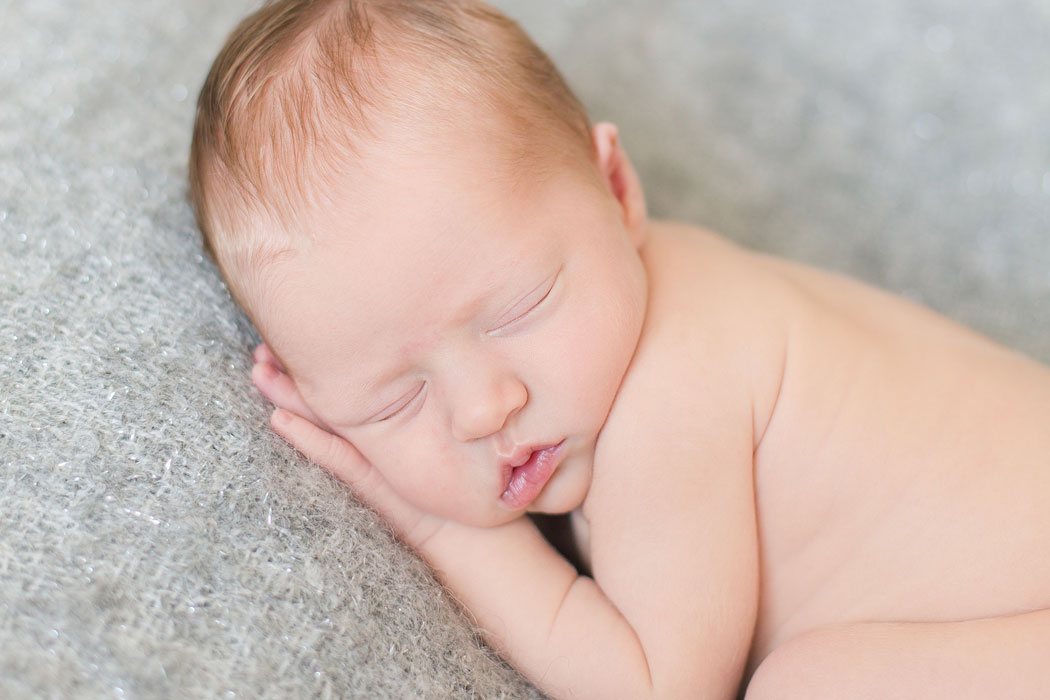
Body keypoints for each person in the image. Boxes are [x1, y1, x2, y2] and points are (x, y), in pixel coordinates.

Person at [188, 1, 1050, 697]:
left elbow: (655, 685)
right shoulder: (633, 293)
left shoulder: (665, 400)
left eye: (521, 307)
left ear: (616, 189)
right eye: (394, 399)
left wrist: (443, 530)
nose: (484, 407)